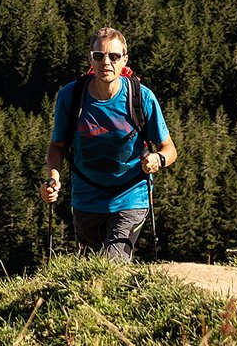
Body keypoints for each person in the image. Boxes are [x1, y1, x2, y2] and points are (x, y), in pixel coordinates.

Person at [41, 26, 172, 259]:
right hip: (86, 197)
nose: (106, 62)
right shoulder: (70, 97)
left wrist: (157, 159)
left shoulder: (142, 97)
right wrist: (54, 178)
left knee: (114, 261)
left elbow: (169, 149)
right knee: (90, 265)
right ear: (90, 59)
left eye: (114, 56)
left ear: (124, 60)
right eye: (99, 56)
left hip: (131, 194)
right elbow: (57, 146)